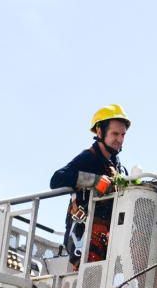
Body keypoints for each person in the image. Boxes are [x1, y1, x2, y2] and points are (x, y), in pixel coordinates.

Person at [49, 104, 130, 266]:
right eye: (115, 134)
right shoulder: (88, 158)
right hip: (84, 237)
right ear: (100, 132)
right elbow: (57, 179)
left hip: (108, 236)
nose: (120, 139)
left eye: (123, 134)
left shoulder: (117, 166)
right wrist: (94, 181)